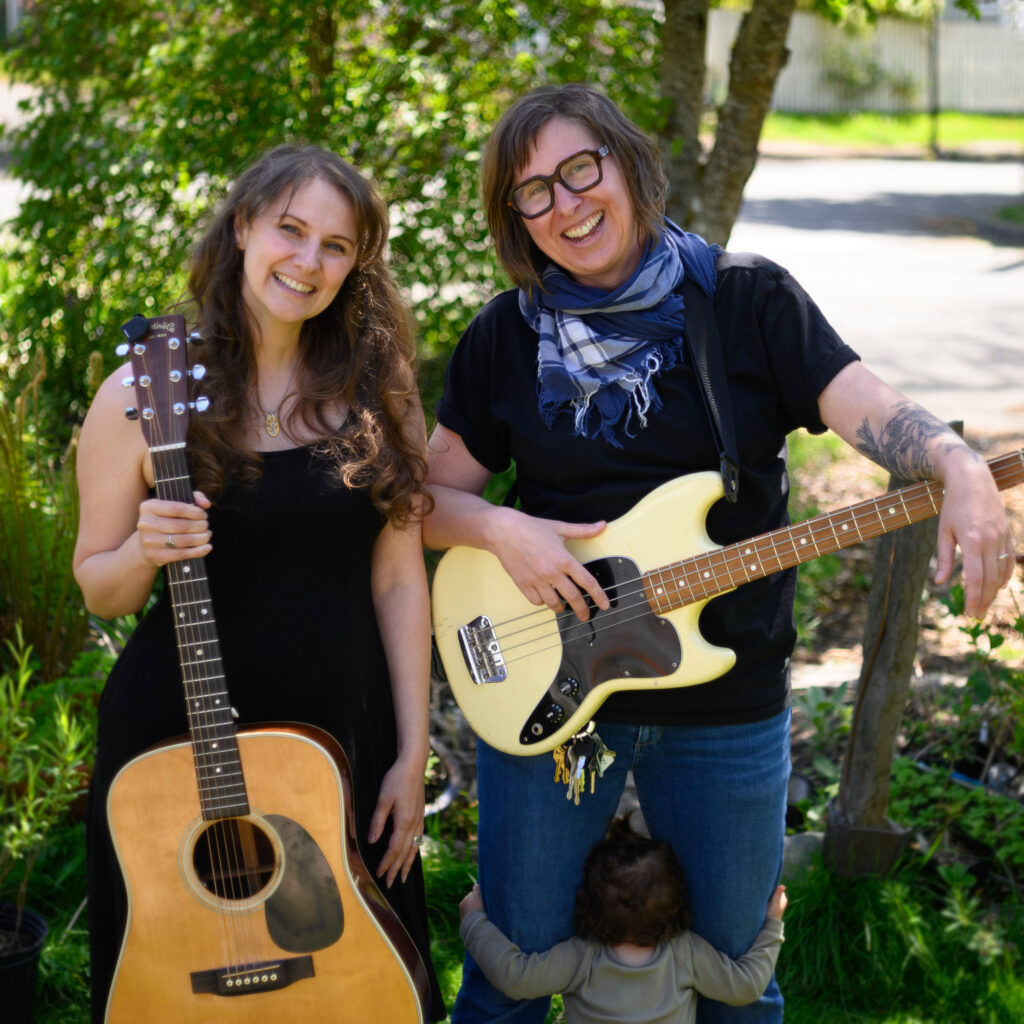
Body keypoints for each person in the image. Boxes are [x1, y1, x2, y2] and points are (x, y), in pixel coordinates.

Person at [423, 83, 1016, 1024]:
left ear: (628, 162)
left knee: (740, 980)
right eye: (532, 192)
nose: (565, 205)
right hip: (552, 700)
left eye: (581, 169)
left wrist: (956, 462)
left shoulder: (745, 301)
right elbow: (422, 498)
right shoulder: (506, 334)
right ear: (514, 219)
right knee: (510, 972)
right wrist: (500, 528)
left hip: (727, 709)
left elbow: (866, 405)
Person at [74, 144, 445, 1021]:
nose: (307, 262)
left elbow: (398, 576)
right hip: (176, 750)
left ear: (358, 263)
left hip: (341, 739)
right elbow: (101, 588)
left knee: (363, 991)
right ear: (243, 228)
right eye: (289, 230)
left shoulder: (376, 387)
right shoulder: (139, 396)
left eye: (336, 245)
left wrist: (412, 747)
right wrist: (143, 552)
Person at [458, 816, 787, 1024]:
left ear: (585, 903)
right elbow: (746, 986)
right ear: (679, 903)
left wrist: (474, 920)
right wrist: (772, 924)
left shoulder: (583, 955)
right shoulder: (684, 953)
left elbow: (515, 977)